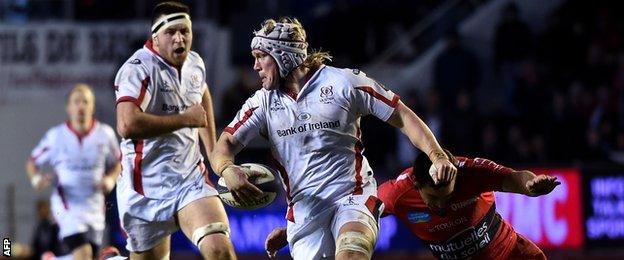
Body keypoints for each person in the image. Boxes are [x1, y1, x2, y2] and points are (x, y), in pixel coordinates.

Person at [210, 17, 456, 260]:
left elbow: (401, 115)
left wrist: (436, 155)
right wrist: (227, 169)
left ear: (283, 55)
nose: (255, 67)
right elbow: (225, 145)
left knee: (351, 254)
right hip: (306, 213)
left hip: (353, 196)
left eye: (260, 56)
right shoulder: (261, 103)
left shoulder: (344, 82)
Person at [266, 150, 558, 259]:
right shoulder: (397, 193)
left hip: (513, 255)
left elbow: (515, 178)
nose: (443, 205)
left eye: (449, 195)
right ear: (418, 186)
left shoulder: (472, 172)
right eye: (435, 200)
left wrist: (531, 186)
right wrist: (292, 230)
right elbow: (348, 209)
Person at [113, 1, 235, 259]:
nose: (180, 38)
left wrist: (213, 152)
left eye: (185, 31)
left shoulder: (195, 63)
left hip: (189, 180)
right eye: (171, 32)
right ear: (155, 38)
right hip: (144, 191)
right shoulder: (137, 69)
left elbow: (202, 97)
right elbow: (126, 125)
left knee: (219, 249)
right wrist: (184, 120)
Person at [26, 84, 121, 259]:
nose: (81, 106)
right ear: (68, 107)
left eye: (86, 102)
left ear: (92, 106)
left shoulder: (105, 134)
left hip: (95, 207)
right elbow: (32, 163)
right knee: (83, 252)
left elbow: (118, 163)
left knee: (88, 255)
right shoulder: (56, 136)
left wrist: (110, 179)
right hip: (67, 207)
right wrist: (36, 179)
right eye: (76, 101)